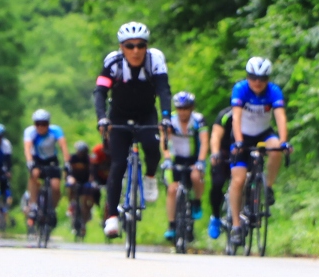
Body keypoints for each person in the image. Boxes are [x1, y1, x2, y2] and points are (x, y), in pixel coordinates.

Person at [96, 21, 172, 239]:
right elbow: (100, 92)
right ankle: (111, 216)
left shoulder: (155, 60)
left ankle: (149, 176)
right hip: (118, 115)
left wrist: (166, 117)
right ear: (122, 47)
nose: (136, 51)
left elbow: (163, 90)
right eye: (130, 46)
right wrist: (102, 118)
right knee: (118, 164)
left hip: (146, 113)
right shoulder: (113, 63)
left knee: (152, 146)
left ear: (146, 46)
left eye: (140, 45)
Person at [227, 56, 288, 248]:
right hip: (241, 136)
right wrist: (238, 142)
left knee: (276, 148)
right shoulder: (240, 89)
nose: (257, 82)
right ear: (247, 77)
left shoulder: (274, 91)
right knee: (238, 180)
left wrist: (284, 141)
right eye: (253, 78)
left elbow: (280, 117)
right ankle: (236, 225)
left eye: (262, 79)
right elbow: (236, 118)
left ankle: (268, 186)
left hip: (263, 133)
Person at [162, 91, 208, 241]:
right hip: (176, 159)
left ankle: (196, 202)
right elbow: (164, 141)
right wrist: (167, 158)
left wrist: (200, 161)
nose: (183, 112)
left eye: (186, 108)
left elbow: (204, 142)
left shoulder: (198, 120)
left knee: (196, 176)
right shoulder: (170, 121)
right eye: (180, 108)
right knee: (172, 189)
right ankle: (171, 225)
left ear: (191, 108)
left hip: (194, 159)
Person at [24, 109, 69, 228]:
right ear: (34, 124)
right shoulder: (30, 132)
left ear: (48, 124)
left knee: (55, 187)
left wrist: (67, 162)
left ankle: (52, 209)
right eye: (38, 124)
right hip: (37, 159)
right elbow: (27, 148)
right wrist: (29, 161)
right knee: (34, 174)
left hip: (51, 160)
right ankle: (33, 205)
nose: (41, 127)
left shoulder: (55, 130)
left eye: (44, 124)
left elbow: (63, 147)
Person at [66, 140, 108, 232]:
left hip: (86, 181)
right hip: (75, 180)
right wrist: (70, 178)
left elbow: (92, 170)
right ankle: (71, 204)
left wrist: (91, 180)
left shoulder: (89, 159)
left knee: (88, 195)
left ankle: (87, 214)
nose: (81, 154)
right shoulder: (73, 158)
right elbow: (68, 170)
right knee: (70, 186)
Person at [206, 107, 233, 240]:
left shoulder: (258, 113)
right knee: (217, 183)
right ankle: (216, 217)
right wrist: (215, 152)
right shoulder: (226, 114)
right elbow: (215, 136)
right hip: (224, 153)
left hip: (244, 152)